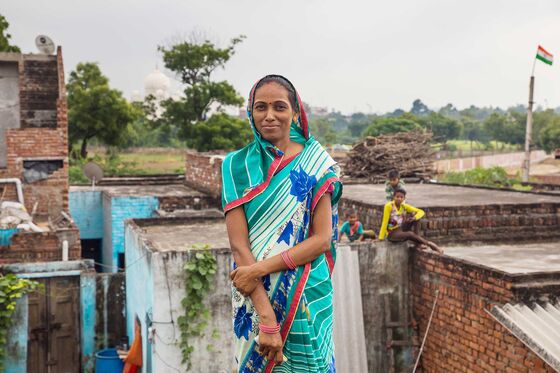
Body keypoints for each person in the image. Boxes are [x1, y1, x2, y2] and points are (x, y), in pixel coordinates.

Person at [223, 75, 342, 372]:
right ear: (251, 113)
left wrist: (258, 270)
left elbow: (322, 240)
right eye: (260, 107)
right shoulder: (235, 166)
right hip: (255, 298)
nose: (270, 115)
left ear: (295, 112)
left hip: (306, 295)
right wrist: (266, 317)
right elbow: (239, 245)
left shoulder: (316, 163)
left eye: (279, 106)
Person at [378, 188, 442, 253]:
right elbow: (384, 222)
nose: (399, 199)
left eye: (401, 197)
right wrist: (381, 238)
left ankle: (417, 244)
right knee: (410, 234)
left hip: (400, 228)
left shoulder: (404, 206)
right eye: (397, 197)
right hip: (392, 233)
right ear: (393, 197)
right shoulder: (388, 206)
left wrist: (414, 218)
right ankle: (429, 244)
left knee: (416, 218)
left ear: (404, 198)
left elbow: (421, 211)